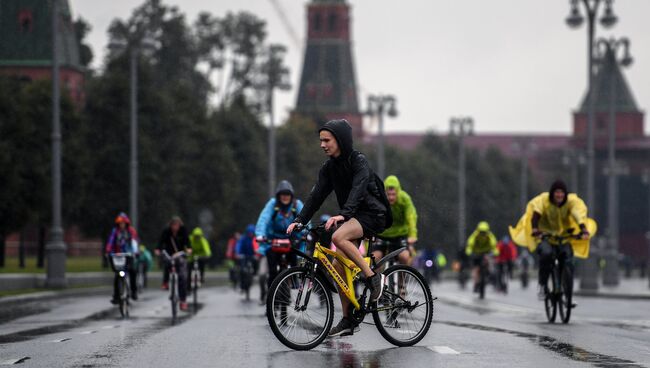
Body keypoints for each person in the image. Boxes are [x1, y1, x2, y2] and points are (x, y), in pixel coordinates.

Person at [286, 119, 393, 337]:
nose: (322, 144)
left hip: (373, 214)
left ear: (340, 140)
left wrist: (343, 215)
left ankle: (373, 277)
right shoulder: (329, 168)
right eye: (321, 141)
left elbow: (358, 189)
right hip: (354, 215)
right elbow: (316, 196)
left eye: (327, 140)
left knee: (338, 236)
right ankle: (348, 320)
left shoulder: (358, 161)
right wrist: (300, 219)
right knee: (337, 266)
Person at [509, 180, 596, 299]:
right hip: (545, 236)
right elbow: (535, 215)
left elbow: (578, 215)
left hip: (563, 237)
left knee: (568, 259)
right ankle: (543, 284)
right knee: (546, 254)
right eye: (557, 192)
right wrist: (535, 229)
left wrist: (583, 229)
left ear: (565, 194)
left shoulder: (571, 202)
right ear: (552, 193)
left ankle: (567, 288)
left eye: (562, 192)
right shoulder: (544, 200)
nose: (559, 195)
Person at [371, 175, 418, 267]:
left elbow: (411, 216)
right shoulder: (379, 198)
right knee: (374, 258)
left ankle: (402, 278)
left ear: (398, 192)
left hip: (399, 235)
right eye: (388, 195)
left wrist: (412, 235)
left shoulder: (405, 199)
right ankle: (375, 280)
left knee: (404, 257)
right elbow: (373, 216)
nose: (391, 198)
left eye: (393, 194)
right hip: (382, 234)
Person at [155, 216, 192, 311]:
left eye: (177, 225)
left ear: (180, 225)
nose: (175, 227)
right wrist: (158, 249)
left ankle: (183, 300)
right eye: (173, 225)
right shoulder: (166, 231)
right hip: (169, 253)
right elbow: (160, 241)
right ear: (171, 225)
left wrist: (188, 249)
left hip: (180, 254)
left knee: (182, 277)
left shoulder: (183, 231)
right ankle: (165, 282)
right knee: (167, 263)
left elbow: (187, 241)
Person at [105, 212, 139, 303]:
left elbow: (134, 242)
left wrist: (135, 252)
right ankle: (116, 295)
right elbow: (110, 242)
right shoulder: (115, 231)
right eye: (120, 223)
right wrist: (108, 250)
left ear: (126, 223)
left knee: (132, 271)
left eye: (123, 223)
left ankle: (134, 291)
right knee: (118, 274)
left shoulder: (131, 231)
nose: (122, 225)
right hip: (118, 256)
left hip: (128, 256)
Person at [465, 221, 498, 293]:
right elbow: (470, 244)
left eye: (484, 232)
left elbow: (494, 244)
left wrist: (495, 251)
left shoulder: (489, 235)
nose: (483, 233)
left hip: (486, 253)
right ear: (478, 230)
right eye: (481, 232)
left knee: (490, 263)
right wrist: (469, 251)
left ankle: (491, 277)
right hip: (477, 253)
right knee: (475, 268)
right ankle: (476, 282)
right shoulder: (475, 235)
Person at [235, 224, 258, 296]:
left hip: (252, 256)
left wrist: (257, 254)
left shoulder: (255, 239)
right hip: (244, 256)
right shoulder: (243, 238)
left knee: (256, 264)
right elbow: (239, 246)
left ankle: (254, 273)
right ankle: (242, 286)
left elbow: (257, 246)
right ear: (247, 232)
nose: (251, 234)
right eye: (249, 232)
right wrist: (238, 253)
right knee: (242, 270)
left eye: (252, 233)